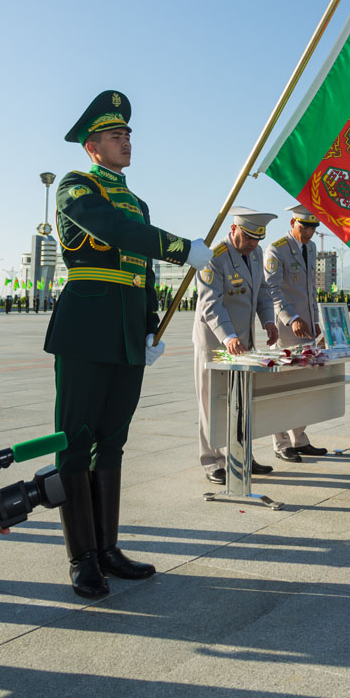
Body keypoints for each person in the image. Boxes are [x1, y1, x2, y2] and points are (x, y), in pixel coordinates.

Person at [45, 89, 213, 598]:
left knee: (112, 441)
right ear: (92, 147)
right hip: (85, 328)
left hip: (124, 335)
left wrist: (149, 325)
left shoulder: (138, 201)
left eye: (128, 135)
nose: (126, 141)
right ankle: (83, 558)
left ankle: (109, 548)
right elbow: (115, 232)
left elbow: (140, 271)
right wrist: (183, 249)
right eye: (115, 136)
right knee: (75, 442)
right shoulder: (76, 187)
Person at [193, 208, 279, 485]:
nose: (253, 244)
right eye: (248, 237)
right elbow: (210, 304)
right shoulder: (212, 257)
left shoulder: (254, 253)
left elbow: (263, 292)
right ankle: (213, 462)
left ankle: (242, 455)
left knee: (242, 403)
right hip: (216, 343)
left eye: (257, 239)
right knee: (211, 403)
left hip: (244, 343)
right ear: (234, 230)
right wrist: (228, 336)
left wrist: (268, 321)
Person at [263, 205, 328, 462]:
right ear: (293, 223)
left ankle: (299, 439)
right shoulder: (276, 250)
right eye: (305, 227)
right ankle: (280, 444)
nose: (310, 233)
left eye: (313, 228)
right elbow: (272, 291)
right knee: (281, 389)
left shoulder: (310, 249)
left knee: (303, 388)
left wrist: (316, 320)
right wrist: (292, 319)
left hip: (307, 330)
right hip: (286, 332)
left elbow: (311, 288)